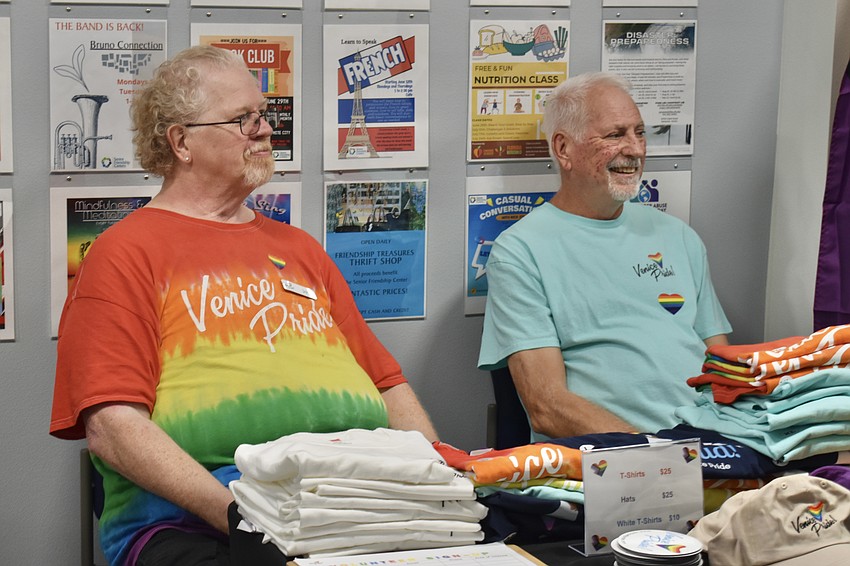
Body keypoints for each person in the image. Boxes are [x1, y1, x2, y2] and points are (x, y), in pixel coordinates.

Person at [49, 45, 438, 566]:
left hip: (353, 506)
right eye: (243, 119)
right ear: (181, 142)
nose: (265, 129)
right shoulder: (124, 253)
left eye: (264, 114)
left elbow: (387, 385)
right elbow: (113, 428)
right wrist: (245, 517)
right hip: (202, 523)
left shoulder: (300, 249)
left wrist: (438, 483)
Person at [478, 72, 731, 441]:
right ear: (564, 149)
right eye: (615, 135)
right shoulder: (520, 252)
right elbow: (547, 406)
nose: (636, 149)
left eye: (640, 133)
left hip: (714, 444)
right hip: (614, 457)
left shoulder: (679, 236)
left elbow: (725, 369)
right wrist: (657, 453)